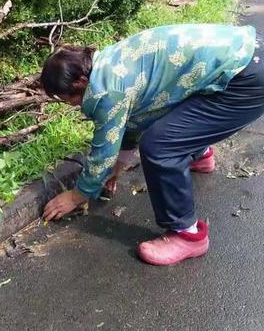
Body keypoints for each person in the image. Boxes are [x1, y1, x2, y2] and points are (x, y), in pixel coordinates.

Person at [40, 23, 264, 266]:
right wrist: (118, 169)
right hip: (247, 49)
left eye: (69, 98)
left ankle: (187, 235)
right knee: (170, 119)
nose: (73, 106)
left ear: (81, 81)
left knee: (159, 147)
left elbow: (103, 152)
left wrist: (76, 196)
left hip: (245, 79)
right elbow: (132, 121)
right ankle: (200, 155)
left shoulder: (106, 92)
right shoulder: (109, 63)